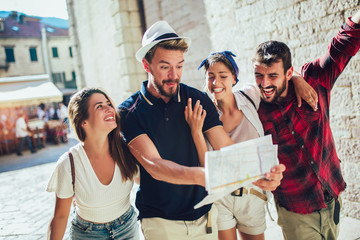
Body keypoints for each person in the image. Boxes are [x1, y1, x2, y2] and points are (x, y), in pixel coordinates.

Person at [119, 20, 285, 240]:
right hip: (160, 220)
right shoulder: (130, 112)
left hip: (204, 217)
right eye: (164, 66)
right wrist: (207, 176)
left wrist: (261, 174)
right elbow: (155, 166)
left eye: (179, 65)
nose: (174, 75)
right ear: (146, 64)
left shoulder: (197, 99)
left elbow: (226, 148)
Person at [253, 9, 360, 240]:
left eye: (273, 76)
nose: (264, 84)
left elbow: (343, 44)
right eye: (259, 76)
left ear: (289, 72)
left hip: (330, 196)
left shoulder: (313, 80)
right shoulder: (255, 106)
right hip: (295, 211)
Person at [187, 51, 317, 240]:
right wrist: (196, 132)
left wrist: (298, 79)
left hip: (253, 194)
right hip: (221, 198)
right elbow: (206, 166)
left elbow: (276, 79)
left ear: (234, 78)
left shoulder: (249, 96)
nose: (216, 83)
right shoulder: (204, 114)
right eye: (210, 77)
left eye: (223, 76)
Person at [46, 88, 139, 239]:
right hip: (87, 234)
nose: (109, 108)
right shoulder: (69, 163)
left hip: (127, 228)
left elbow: (147, 181)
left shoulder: (126, 150)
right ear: (83, 121)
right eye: (99, 106)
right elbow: (60, 217)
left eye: (108, 103)